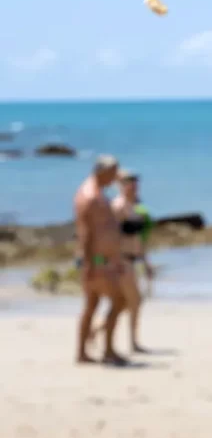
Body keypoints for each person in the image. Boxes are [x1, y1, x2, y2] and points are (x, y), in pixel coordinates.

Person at [73, 155, 128, 365]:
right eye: (113, 173)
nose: (115, 178)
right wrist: (88, 263)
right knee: (119, 300)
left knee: (92, 305)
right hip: (97, 262)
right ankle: (108, 350)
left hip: (101, 260)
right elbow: (85, 233)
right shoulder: (90, 196)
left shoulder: (97, 193)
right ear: (102, 172)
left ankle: (83, 352)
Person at [111, 169, 154, 353]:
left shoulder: (135, 207)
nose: (134, 187)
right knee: (132, 301)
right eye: (130, 183)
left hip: (133, 260)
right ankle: (131, 342)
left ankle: (132, 341)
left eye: (136, 184)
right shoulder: (117, 207)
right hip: (121, 261)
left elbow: (139, 240)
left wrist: (146, 263)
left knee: (128, 302)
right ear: (121, 186)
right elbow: (110, 237)